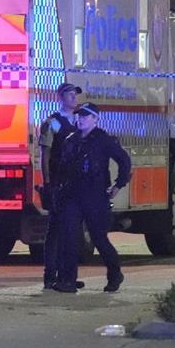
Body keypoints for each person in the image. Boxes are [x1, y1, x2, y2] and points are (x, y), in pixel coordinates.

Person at [52, 102, 131, 293]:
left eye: (86, 116)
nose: (81, 119)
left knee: (99, 238)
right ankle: (68, 281)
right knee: (69, 238)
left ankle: (115, 274)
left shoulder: (103, 140)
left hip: (95, 197)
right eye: (79, 116)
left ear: (95, 119)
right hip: (72, 196)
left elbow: (124, 160)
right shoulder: (71, 140)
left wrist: (118, 185)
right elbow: (61, 167)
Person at [37, 82, 83, 290]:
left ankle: (67, 275)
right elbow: (45, 154)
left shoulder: (79, 121)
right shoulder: (53, 122)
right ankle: (50, 276)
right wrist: (47, 183)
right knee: (55, 230)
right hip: (57, 181)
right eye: (70, 94)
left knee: (70, 230)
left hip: (74, 182)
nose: (74, 98)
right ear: (61, 98)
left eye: (75, 94)